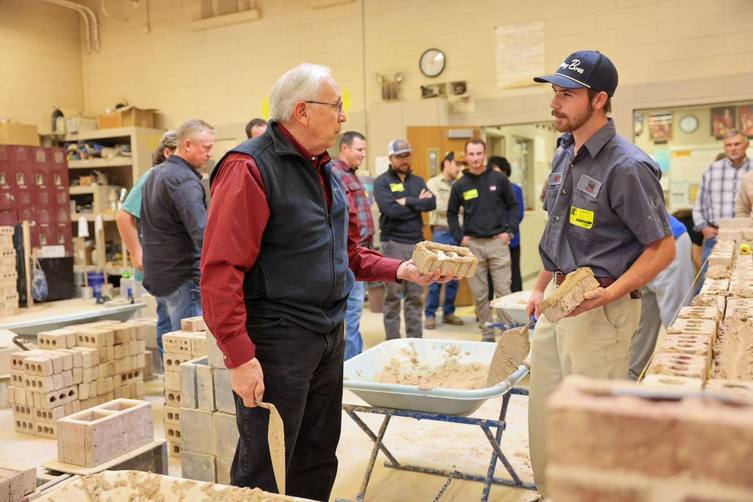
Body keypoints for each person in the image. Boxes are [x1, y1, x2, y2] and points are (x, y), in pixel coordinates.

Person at [200, 63, 449, 500]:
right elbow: (221, 271)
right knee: (268, 461)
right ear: (301, 111)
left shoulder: (325, 172)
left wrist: (402, 269)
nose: (343, 117)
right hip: (278, 341)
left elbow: (347, 254)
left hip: (327, 335)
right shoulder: (249, 168)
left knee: (317, 454)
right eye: (336, 107)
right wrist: (238, 357)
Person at [526, 51, 675, 495]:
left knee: (592, 425)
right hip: (556, 303)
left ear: (599, 100)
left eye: (567, 94)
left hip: (600, 310)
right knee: (546, 415)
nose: (555, 103)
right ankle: (552, 493)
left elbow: (662, 249)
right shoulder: (564, 154)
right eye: (554, 92)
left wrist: (611, 296)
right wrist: (539, 288)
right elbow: (558, 231)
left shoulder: (627, 166)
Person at [141, 119, 213, 347]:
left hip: (159, 276)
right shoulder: (185, 181)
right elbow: (202, 233)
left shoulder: (154, 174)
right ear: (188, 145)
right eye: (206, 148)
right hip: (183, 278)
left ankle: (168, 385)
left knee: (168, 346)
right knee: (187, 349)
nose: (209, 154)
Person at [447, 139, 519, 342]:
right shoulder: (460, 185)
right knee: (479, 295)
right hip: (473, 246)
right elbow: (451, 214)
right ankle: (487, 335)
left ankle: (508, 336)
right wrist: (460, 237)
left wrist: (509, 232)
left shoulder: (499, 179)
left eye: (479, 154)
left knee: (503, 294)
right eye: (471, 154)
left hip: (498, 243)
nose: (476, 158)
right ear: (466, 156)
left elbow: (513, 206)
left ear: (484, 155)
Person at [115, 130, 177, 355]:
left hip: (168, 266)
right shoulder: (153, 178)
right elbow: (124, 216)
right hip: (163, 267)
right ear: (167, 153)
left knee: (169, 324)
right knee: (173, 327)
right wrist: (136, 253)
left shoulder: (171, 178)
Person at [374, 139, 436, 340]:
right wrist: (418, 203)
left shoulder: (417, 180)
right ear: (390, 158)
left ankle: (414, 342)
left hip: (417, 245)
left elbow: (432, 203)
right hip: (393, 243)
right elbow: (390, 210)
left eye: (407, 155)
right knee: (392, 297)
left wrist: (407, 201)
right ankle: (393, 342)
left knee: (415, 297)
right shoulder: (382, 181)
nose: (404, 160)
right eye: (399, 156)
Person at [629, 212, 694, 380]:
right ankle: (633, 378)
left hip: (669, 242)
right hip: (637, 252)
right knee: (640, 324)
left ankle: (686, 378)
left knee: (675, 321)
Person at [329, 130, 372, 360]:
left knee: (355, 312)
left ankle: (354, 360)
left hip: (360, 251)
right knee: (351, 313)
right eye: (359, 149)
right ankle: (350, 366)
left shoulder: (353, 175)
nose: (363, 154)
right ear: (344, 148)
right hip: (347, 256)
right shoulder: (337, 174)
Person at [693, 129, 751, 282]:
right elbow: (699, 205)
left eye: (737, 144)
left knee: (744, 283)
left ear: (747, 145)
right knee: (709, 284)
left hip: (748, 239)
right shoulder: (712, 170)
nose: (732, 148)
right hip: (716, 237)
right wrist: (703, 228)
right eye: (728, 145)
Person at [424, 151, 464, 329]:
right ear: (446, 163)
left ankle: (449, 312)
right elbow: (437, 206)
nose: (459, 168)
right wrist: (457, 207)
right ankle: (430, 314)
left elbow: (467, 206)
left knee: (454, 276)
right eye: (456, 163)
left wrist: (457, 208)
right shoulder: (433, 183)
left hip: (457, 232)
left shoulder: (461, 183)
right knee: (434, 275)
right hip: (440, 232)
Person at [488, 156, 525, 292]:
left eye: (497, 172)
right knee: (492, 275)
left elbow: (518, 213)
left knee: (514, 272)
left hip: (511, 239)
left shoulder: (515, 189)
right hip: (491, 239)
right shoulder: (489, 189)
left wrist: (506, 231)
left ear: (505, 171)